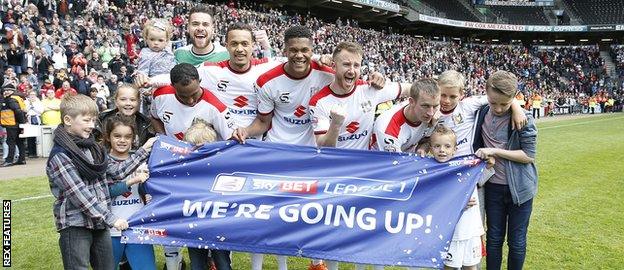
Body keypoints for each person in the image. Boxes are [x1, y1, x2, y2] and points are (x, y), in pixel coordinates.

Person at [46, 94, 156, 270]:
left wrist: (144, 150)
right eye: (86, 120)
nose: (91, 125)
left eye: (93, 120)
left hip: (99, 224)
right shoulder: (61, 155)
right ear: (68, 119)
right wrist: (111, 218)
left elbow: (116, 172)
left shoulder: (93, 148)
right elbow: (81, 195)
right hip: (76, 226)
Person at [150, 63, 233, 270]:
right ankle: (178, 261)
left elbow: (231, 143)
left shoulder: (216, 107)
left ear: (200, 83)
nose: (190, 100)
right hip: (178, 177)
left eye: (194, 94)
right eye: (183, 95)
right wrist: (162, 139)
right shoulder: (160, 96)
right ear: (172, 86)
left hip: (208, 181)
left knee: (220, 253)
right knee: (190, 237)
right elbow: (154, 117)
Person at [472, 71, 538, 270]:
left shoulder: (523, 119)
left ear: (514, 97)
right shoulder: (481, 111)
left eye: (505, 104)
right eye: (494, 103)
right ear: (486, 94)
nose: (499, 108)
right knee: (493, 239)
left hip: (520, 190)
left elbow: (529, 155)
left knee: (516, 242)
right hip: (493, 187)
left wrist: (494, 151)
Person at [310, 41, 410, 150]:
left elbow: (409, 89)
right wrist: (335, 124)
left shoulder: (370, 89)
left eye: (356, 65)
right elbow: (323, 148)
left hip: (363, 163)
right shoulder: (319, 101)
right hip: (334, 165)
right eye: (346, 64)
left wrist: (431, 108)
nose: (352, 71)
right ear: (334, 66)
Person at [428, 125, 492, 270]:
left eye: (447, 146)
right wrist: (458, 202)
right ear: (431, 148)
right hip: (450, 232)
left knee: (471, 266)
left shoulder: (467, 166)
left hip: (471, 228)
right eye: (437, 146)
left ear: (455, 149)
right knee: (449, 267)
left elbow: (480, 179)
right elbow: (433, 200)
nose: (442, 150)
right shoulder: (432, 172)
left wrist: (487, 165)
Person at [103, 115, 156, 270]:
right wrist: (132, 181)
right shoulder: (103, 161)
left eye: (127, 137)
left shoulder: (141, 161)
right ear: (108, 137)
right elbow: (106, 191)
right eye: (117, 136)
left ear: (134, 138)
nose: (122, 140)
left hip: (137, 228)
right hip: (111, 230)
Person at [373, 79, 440, 153]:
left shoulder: (430, 114)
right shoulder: (389, 131)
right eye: (425, 106)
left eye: (435, 106)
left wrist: (422, 148)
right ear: (411, 102)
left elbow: (426, 140)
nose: (431, 113)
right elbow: (395, 163)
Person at [95, 84, 154, 150]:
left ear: (139, 102)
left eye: (132, 100)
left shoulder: (146, 123)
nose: (128, 103)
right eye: (123, 99)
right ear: (116, 102)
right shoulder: (102, 120)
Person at [0, 84, 27, 166]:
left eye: (8, 90)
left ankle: (9, 160)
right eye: (5, 90)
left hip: (12, 124)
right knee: (19, 142)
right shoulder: (16, 98)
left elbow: (18, 111)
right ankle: (22, 159)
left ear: (13, 91)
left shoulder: (11, 100)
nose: (6, 91)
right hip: (16, 124)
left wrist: (21, 124)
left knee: (10, 142)